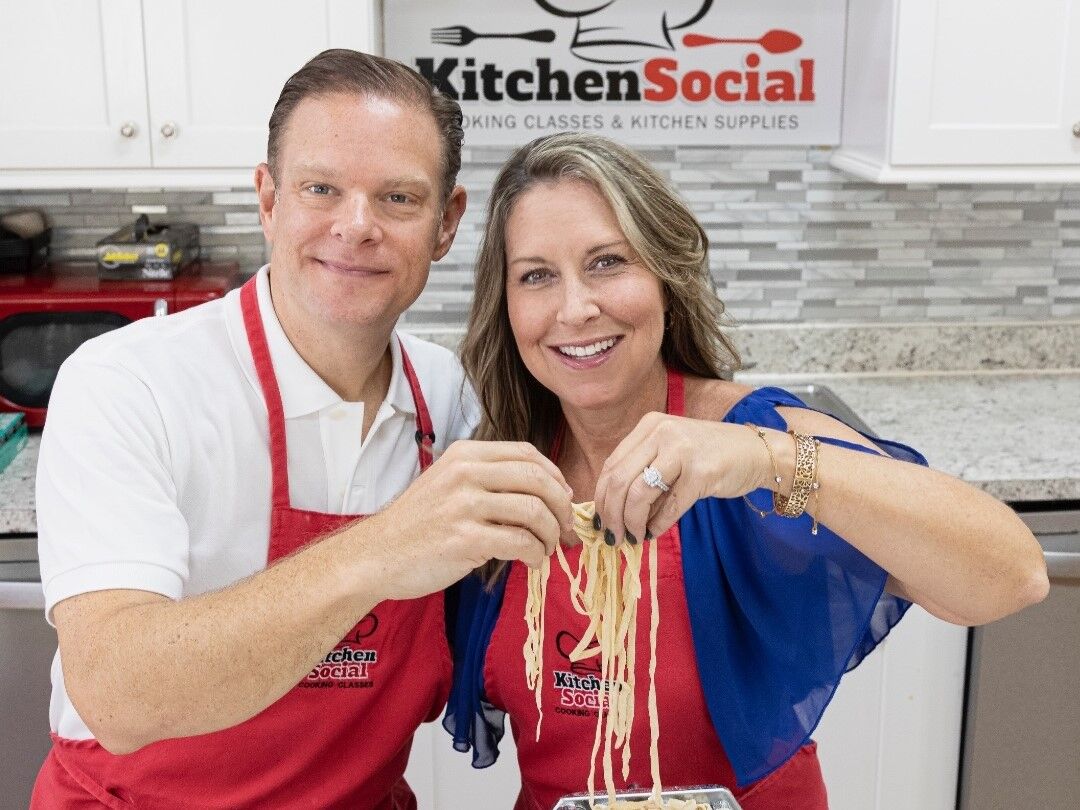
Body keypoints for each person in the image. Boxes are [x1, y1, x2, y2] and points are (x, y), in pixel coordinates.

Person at [32, 50, 575, 809]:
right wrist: (387, 547)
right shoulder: (130, 384)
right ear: (268, 198)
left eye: (397, 198)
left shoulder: (450, 402)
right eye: (322, 189)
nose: (356, 227)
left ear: (446, 224)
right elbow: (120, 696)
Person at [444, 132, 1049, 810]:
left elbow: (1012, 574)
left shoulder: (749, 440)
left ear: (666, 282)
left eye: (608, 262)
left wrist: (765, 458)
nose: (575, 308)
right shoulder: (500, 469)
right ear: (506, 305)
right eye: (536, 275)